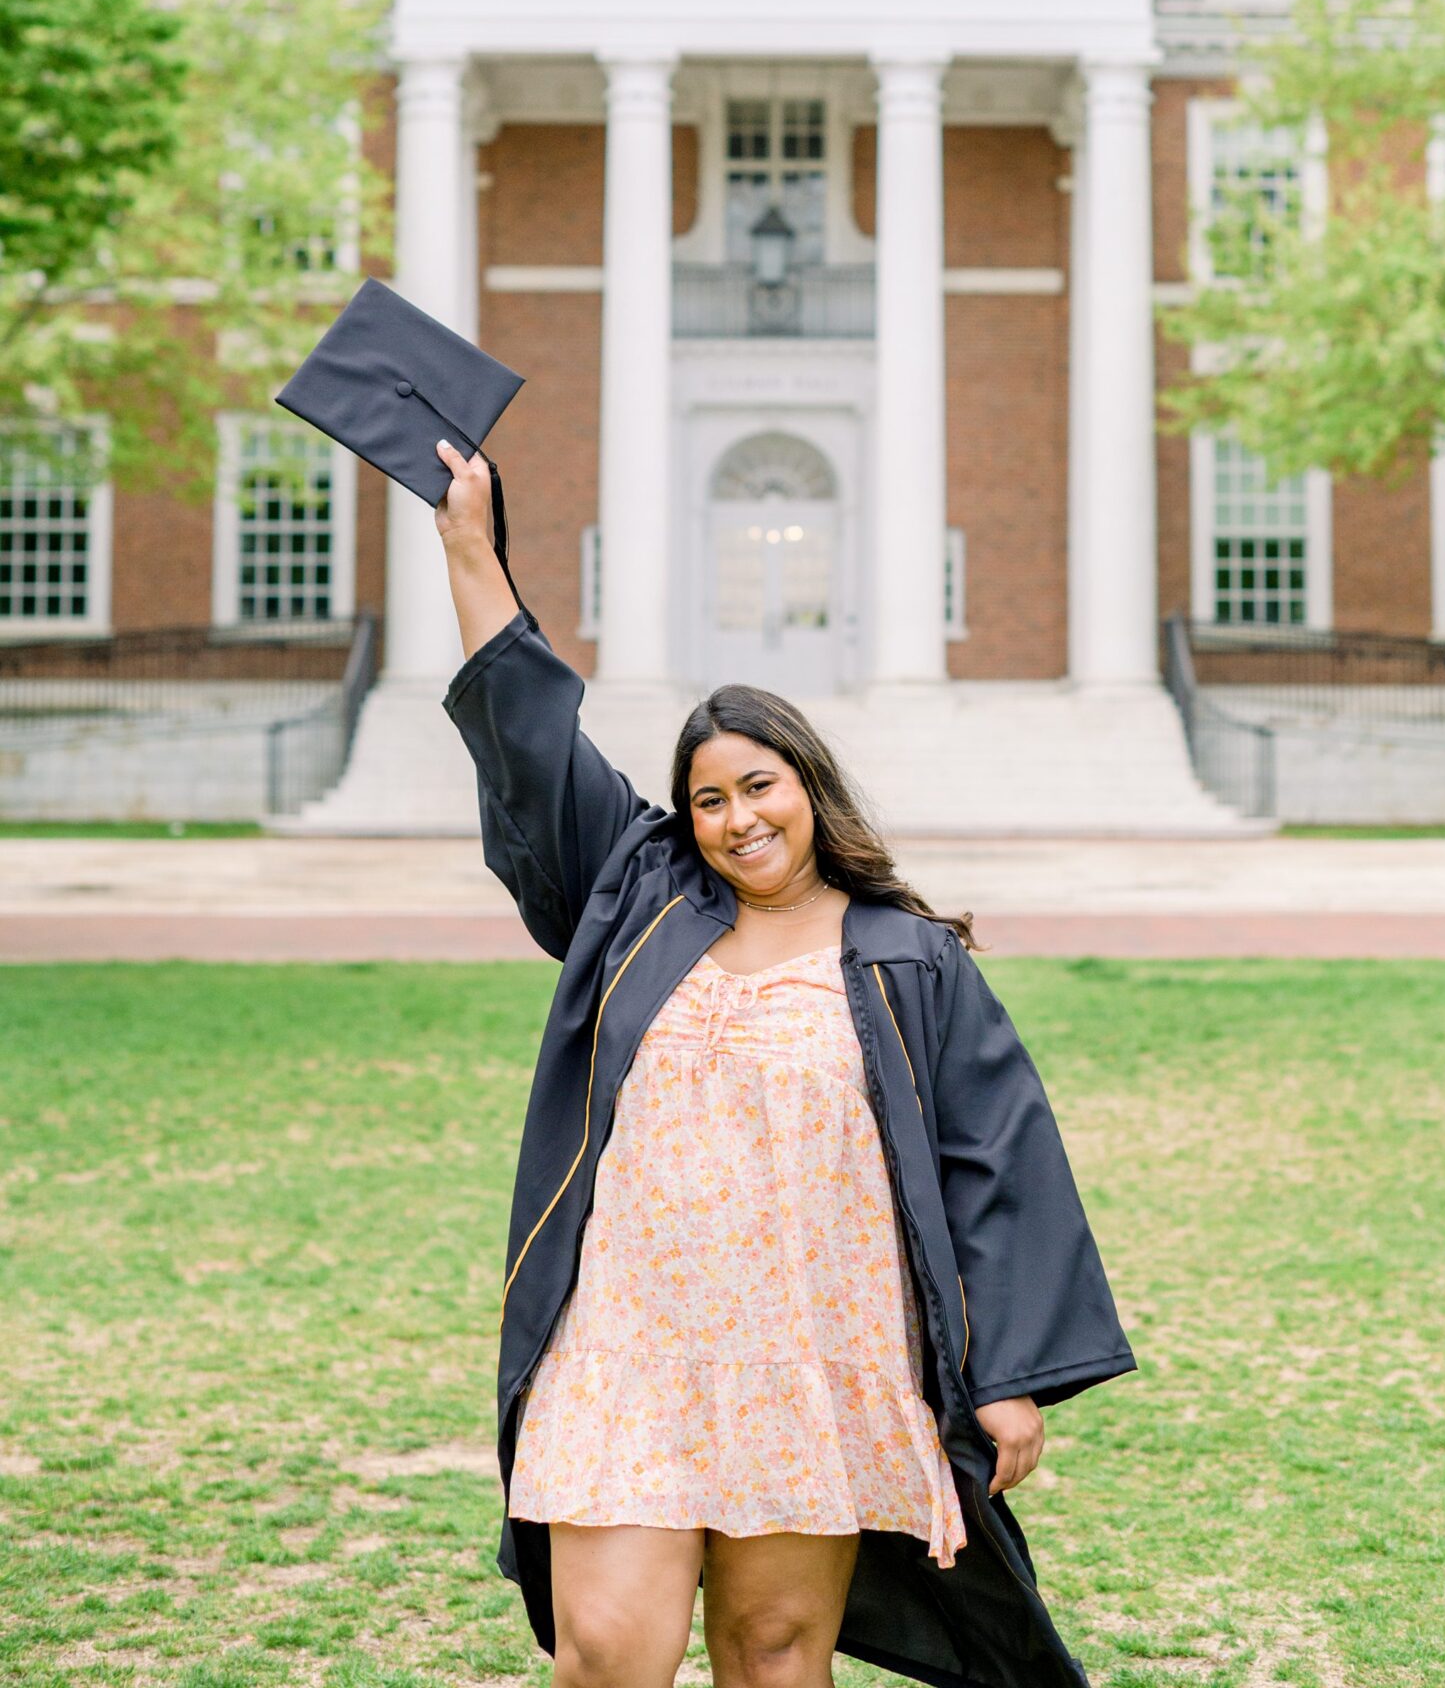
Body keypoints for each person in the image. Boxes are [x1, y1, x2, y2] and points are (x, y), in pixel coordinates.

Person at [433, 440, 1135, 1688]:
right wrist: (469, 551)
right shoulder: (641, 900)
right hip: (628, 1341)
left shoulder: (906, 958)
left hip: (810, 1354)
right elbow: (534, 744)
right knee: (606, 1648)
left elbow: (996, 1155)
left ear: (807, 783)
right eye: (707, 800)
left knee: (772, 1654)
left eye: (758, 785)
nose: (736, 818)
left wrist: (1009, 1379)